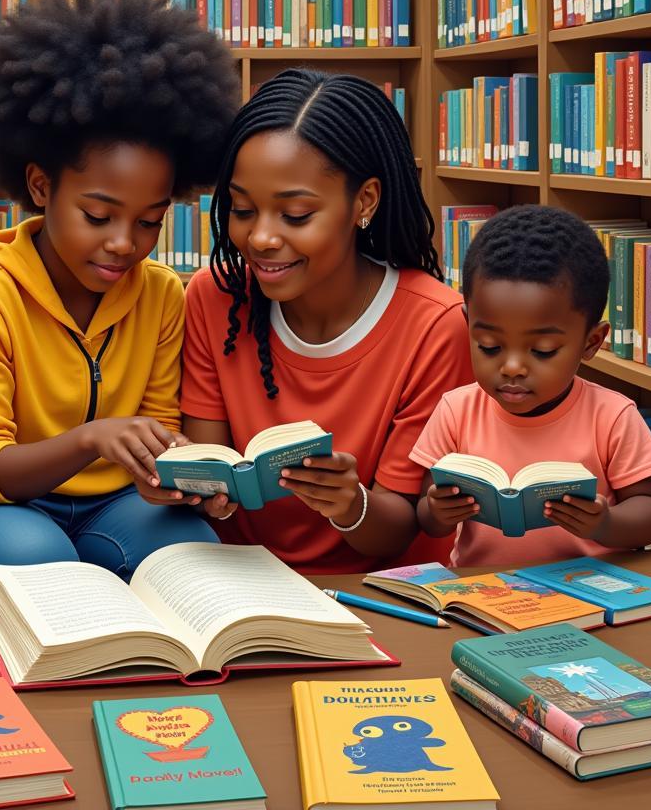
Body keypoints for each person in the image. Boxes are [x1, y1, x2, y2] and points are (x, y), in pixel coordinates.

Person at [0, 0, 241, 577]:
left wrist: (179, 477)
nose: (125, 243)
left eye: (150, 221)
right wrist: (90, 440)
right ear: (41, 188)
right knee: (42, 562)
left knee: (193, 556)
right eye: (99, 216)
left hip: (118, 504)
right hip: (6, 504)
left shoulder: (164, 293)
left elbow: (158, 428)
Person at [181, 68, 473, 573]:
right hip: (234, 585)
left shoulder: (436, 324)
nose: (261, 238)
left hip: (378, 591)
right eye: (242, 208)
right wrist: (193, 484)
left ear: (364, 201)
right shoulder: (214, 296)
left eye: (295, 215)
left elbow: (403, 524)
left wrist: (349, 504)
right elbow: (211, 468)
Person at [414, 205, 651, 565]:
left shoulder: (612, 415)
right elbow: (427, 517)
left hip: (587, 592)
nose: (513, 367)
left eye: (543, 351)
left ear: (591, 342)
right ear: (468, 325)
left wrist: (605, 523)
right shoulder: (456, 410)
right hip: (484, 595)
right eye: (490, 347)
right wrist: (438, 511)